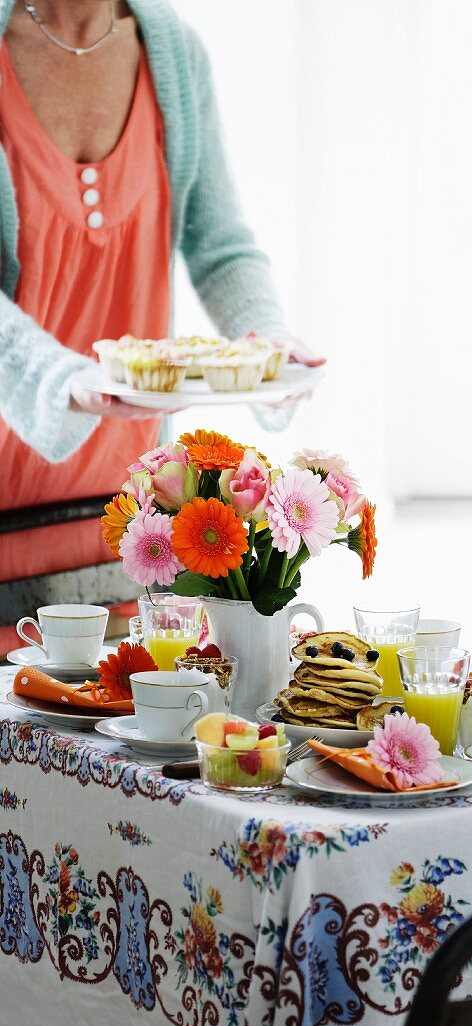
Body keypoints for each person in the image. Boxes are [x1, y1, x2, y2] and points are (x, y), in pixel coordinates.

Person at [0, 0, 323, 654]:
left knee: (113, 743)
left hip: (129, 515)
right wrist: (63, 381)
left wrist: (266, 335)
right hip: (8, 503)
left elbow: (220, 242)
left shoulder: (172, 52)